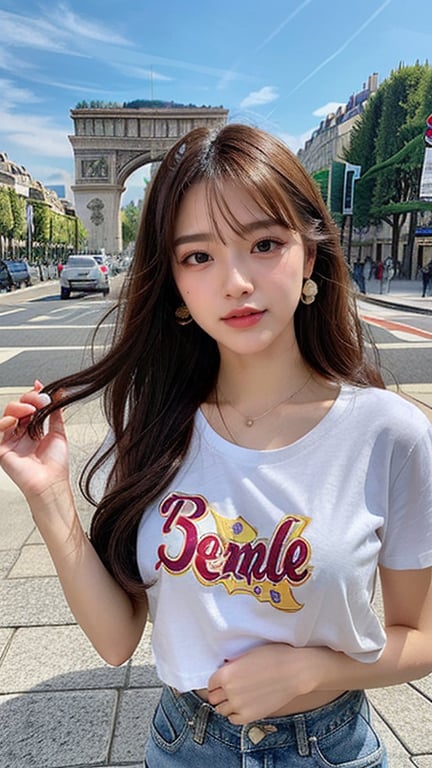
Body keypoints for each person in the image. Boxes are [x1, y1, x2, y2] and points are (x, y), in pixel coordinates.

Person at [1, 124, 431, 767]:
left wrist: (309, 671)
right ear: (173, 281)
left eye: (263, 243)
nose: (235, 281)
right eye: (198, 256)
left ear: (309, 257)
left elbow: (422, 635)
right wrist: (48, 496)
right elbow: (118, 640)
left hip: (329, 749)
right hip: (183, 746)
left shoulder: (391, 435)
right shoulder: (154, 425)